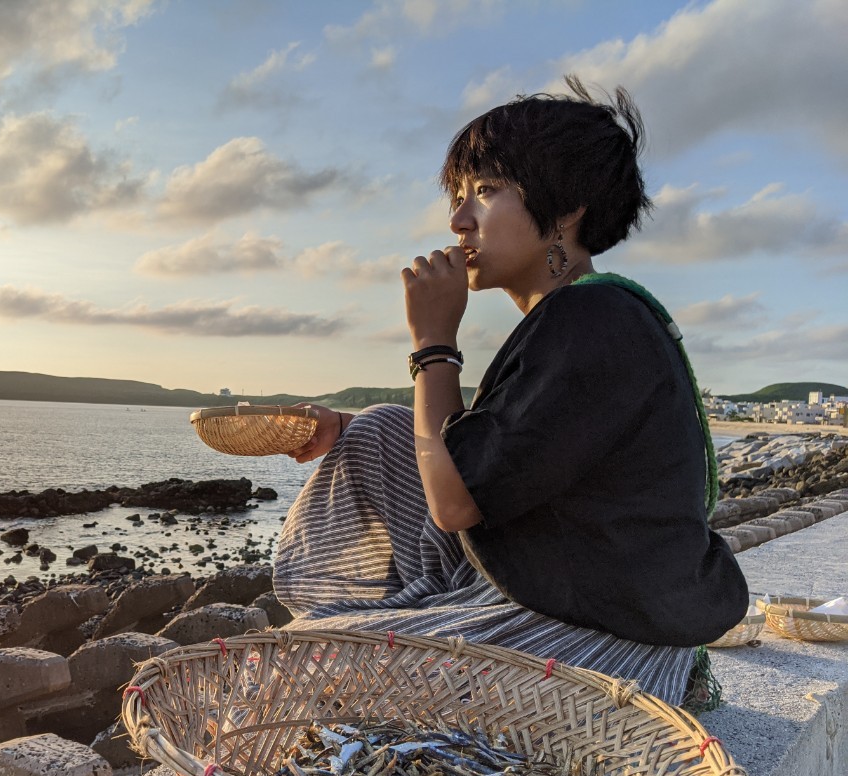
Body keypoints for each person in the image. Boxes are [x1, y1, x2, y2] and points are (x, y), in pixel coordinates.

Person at [275, 77, 749, 707]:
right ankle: (414, 611)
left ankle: (417, 619)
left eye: (486, 191)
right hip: (563, 586)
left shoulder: (592, 320)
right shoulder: (582, 315)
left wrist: (434, 343)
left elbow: (456, 502)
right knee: (379, 429)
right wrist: (350, 424)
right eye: (457, 195)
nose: (457, 219)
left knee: (292, 672)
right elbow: (485, 454)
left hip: (600, 636)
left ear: (567, 208)